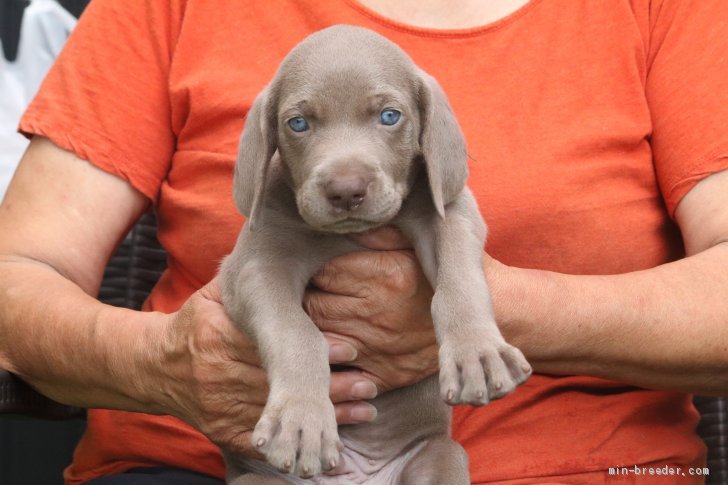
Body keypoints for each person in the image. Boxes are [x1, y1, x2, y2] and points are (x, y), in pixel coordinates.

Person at [1, 0, 727, 483]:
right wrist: (161, 363)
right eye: (301, 124)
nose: (346, 176)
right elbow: (16, 277)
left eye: (385, 118)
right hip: (224, 464)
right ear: (267, 142)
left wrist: (493, 313)